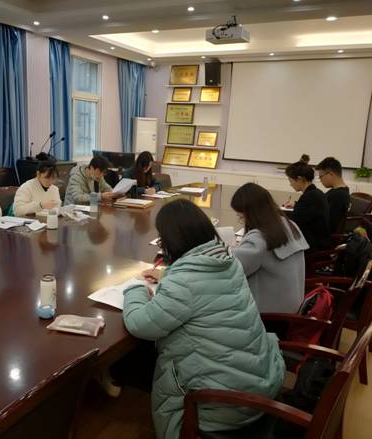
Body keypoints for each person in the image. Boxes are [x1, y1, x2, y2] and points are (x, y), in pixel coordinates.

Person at [123, 199, 285, 439]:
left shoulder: (184, 283)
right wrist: (167, 276)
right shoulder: (228, 261)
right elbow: (201, 288)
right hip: (259, 386)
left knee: (135, 357)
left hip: (223, 407)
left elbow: (140, 324)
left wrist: (135, 289)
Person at [230, 183, 309, 313]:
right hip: (293, 308)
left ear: (252, 214)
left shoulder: (259, 239)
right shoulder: (289, 225)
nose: (242, 221)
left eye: (241, 217)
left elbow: (231, 270)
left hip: (268, 315)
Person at [285, 157, 331, 251]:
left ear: (299, 179)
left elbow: (294, 224)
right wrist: (296, 204)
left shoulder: (310, 197)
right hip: (319, 241)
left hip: (313, 247)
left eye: (290, 181)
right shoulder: (316, 193)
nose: (290, 184)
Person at [316, 157, 350, 233]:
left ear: (330, 174)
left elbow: (328, 226)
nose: (320, 180)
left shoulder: (338, 196)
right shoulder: (339, 191)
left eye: (321, 177)